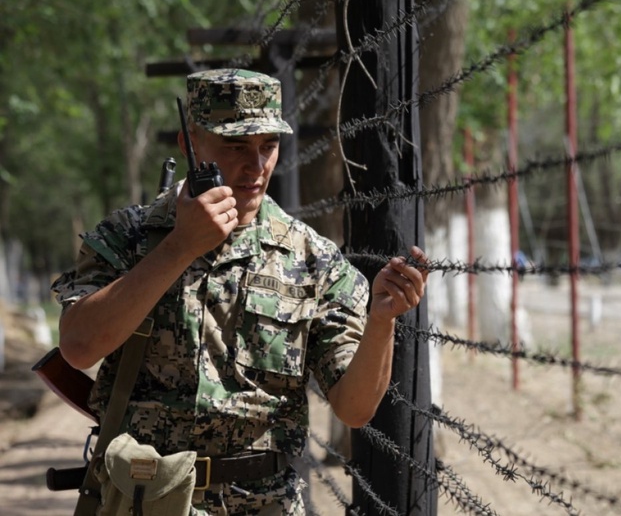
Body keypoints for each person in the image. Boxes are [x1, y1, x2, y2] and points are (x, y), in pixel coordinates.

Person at [51, 68, 429, 515]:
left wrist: (381, 322)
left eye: (268, 146)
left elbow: (354, 408)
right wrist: (179, 247)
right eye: (235, 146)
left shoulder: (313, 259)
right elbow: (78, 347)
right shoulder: (128, 237)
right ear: (189, 143)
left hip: (263, 503)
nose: (257, 166)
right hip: (145, 498)